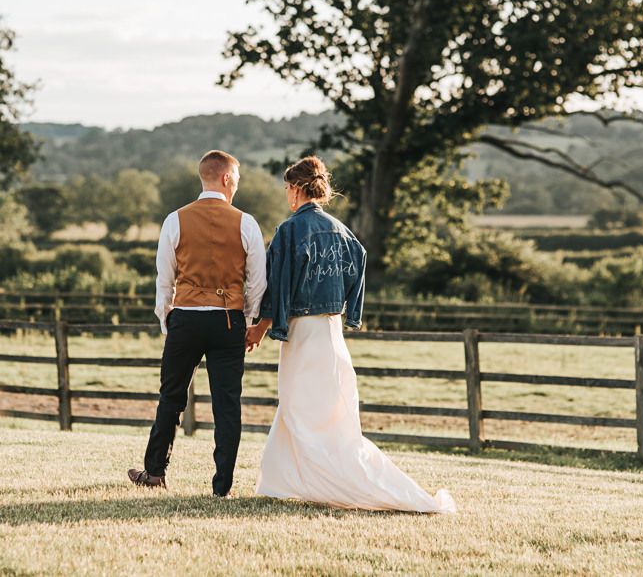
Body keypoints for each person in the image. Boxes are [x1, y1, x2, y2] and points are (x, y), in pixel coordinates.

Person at [246, 156, 455, 513]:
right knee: (317, 412)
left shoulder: (289, 231)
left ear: (295, 188)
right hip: (331, 332)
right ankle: (282, 482)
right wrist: (351, 313)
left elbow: (277, 287)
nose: (286, 196)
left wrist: (260, 329)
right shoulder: (344, 233)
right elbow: (358, 268)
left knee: (301, 408)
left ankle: (323, 480)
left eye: (286, 189)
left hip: (303, 333)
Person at [127, 150, 266, 498]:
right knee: (227, 403)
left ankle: (155, 472)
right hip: (228, 320)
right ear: (225, 178)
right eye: (236, 179)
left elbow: (164, 279)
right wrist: (246, 319)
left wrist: (168, 320)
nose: (236, 185)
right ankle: (222, 488)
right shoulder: (245, 222)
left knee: (171, 397)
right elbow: (258, 281)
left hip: (186, 319)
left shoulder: (175, 220)